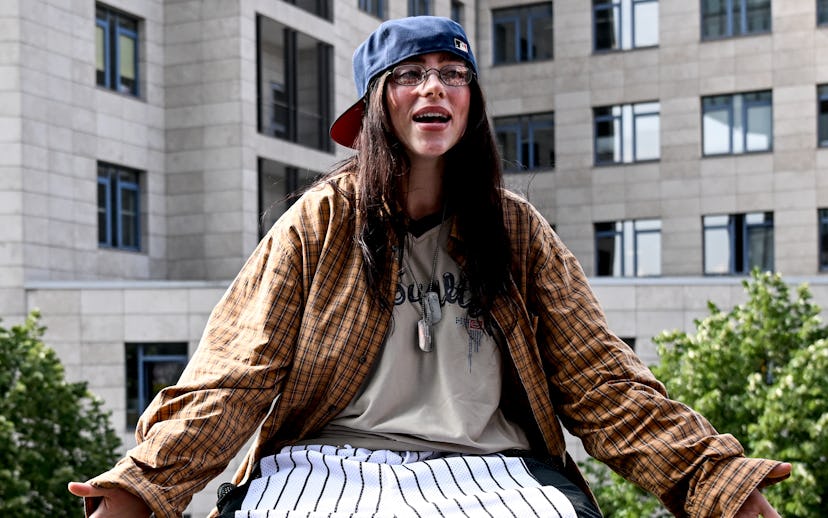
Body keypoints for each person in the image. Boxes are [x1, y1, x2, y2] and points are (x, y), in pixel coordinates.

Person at [69, 16, 791, 518]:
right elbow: (233, 377)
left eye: (452, 73)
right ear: (375, 105)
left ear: (471, 102)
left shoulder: (516, 230)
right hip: (327, 465)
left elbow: (603, 382)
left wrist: (714, 480)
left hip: (495, 471)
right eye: (410, 74)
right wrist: (144, 484)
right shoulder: (319, 224)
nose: (434, 87)